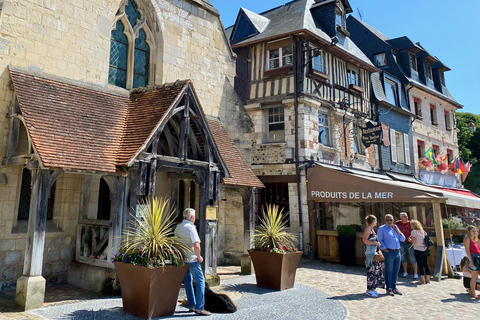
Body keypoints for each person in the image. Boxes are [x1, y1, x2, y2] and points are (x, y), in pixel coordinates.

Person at [174, 208, 211, 316]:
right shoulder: (191, 228)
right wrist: (199, 256)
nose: (194, 219)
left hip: (183, 258)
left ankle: (192, 305)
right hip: (192, 258)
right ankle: (199, 308)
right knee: (200, 282)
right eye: (194, 217)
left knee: (188, 282)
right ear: (191, 217)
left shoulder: (178, 227)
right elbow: (196, 244)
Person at [378, 214, 405, 296]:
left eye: (390, 220)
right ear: (385, 221)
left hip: (397, 251)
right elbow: (379, 239)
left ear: (393, 220)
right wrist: (384, 248)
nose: (389, 221)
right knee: (389, 270)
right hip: (389, 251)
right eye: (387, 220)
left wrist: (398, 231)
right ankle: (388, 288)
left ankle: (394, 287)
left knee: (396, 270)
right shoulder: (382, 228)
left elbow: (403, 239)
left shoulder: (395, 228)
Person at [362, 215, 385, 298]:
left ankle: (373, 288)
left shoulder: (372, 229)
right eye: (375, 220)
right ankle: (369, 289)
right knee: (371, 270)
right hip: (369, 252)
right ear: (372, 221)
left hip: (374, 251)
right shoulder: (368, 229)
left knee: (376, 270)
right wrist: (375, 243)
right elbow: (364, 240)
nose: (376, 222)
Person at [395, 212, 418, 280]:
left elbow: (416, 231)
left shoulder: (411, 223)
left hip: (410, 243)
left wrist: (412, 238)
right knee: (403, 257)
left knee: (412, 257)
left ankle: (415, 273)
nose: (406, 217)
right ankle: (405, 272)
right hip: (402, 242)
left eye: (407, 216)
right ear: (401, 217)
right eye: (404, 216)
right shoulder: (397, 223)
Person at [409, 220, 430, 285]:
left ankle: (422, 280)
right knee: (425, 264)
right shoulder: (423, 231)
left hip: (418, 249)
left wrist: (410, 240)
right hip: (424, 249)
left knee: (420, 264)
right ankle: (428, 279)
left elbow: (414, 242)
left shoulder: (413, 232)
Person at [463, 225, 480, 299]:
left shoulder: (476, 239)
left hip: (478, 257)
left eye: (475, 231)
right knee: (474, 276)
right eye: (473, 231)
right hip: (473, 258)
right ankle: (473, 292)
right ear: (469, 232)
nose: (475, 232)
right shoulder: (467, 239)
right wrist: (470, 261)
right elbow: (467, 251)